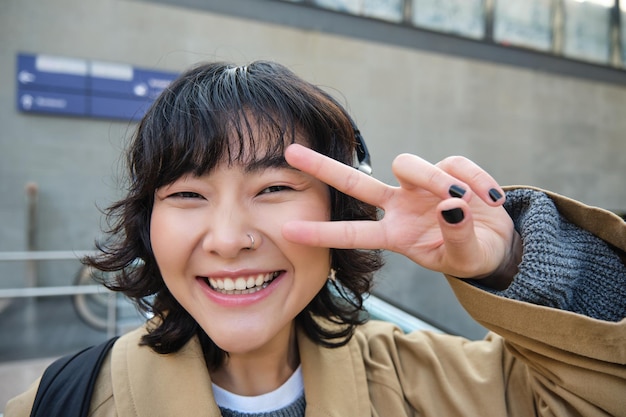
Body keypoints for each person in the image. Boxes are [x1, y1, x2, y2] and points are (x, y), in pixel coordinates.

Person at [5, 61, 626, 417]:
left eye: (273, 189)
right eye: (187, 195)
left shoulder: (431, 385)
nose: (226, 239)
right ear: (147, 225)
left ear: (342, 210)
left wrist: (519, 261)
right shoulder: (61, 404)